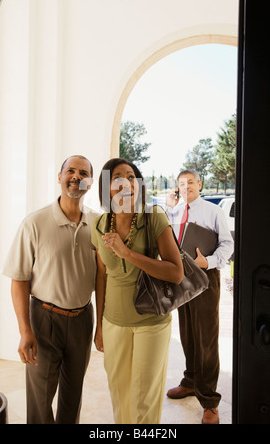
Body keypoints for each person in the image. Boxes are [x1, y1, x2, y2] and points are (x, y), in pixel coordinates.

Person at [2, 155, 99, 424]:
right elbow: (19, 280)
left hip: (82, 318)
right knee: (40, 396)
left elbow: (104, 277)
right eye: (70, 171)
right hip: (44, 319)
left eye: (83, 173)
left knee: (73, 395)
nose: (76, 176)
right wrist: (25, 330)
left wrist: (100, 325)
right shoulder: (35, 223)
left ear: (90, 183)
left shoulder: (98, 224)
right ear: (59, 177)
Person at [91, 158, 183, 424]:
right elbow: (101, 276)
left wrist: (127, 253)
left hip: (150, 322)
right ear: (107, 187)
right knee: (120, 397)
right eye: (117, 177)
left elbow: (176, 272)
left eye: (131, 176)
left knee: (144, 400)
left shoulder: (153, 216)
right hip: (113, 323)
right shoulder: (98, 226)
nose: (125, 182)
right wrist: (100, 326)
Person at [165, 170, 234, 425]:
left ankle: (209, 401)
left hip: (205, 276)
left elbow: (228, 244)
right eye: (181, 184)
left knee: (206, 338)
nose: (186, 187)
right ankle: (191, 381)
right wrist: (168, 208)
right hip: (182, 278)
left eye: (190, 182)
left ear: (200, 184)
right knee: (187, 334)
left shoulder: (212, 211)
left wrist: (209, 261)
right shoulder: (173, 212)